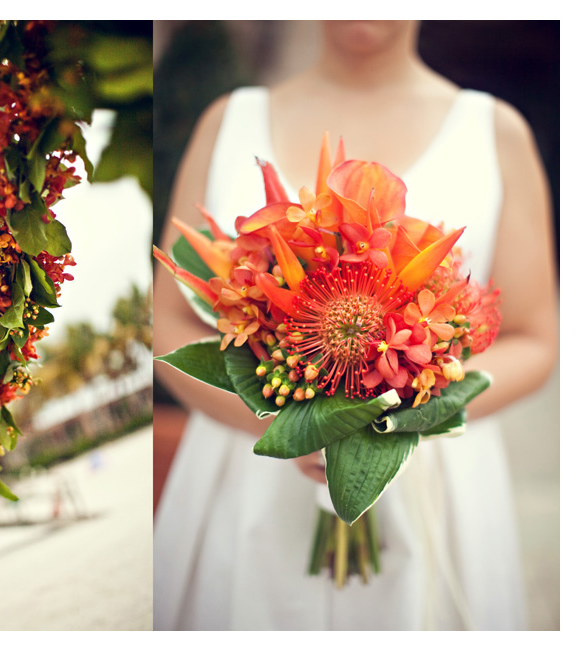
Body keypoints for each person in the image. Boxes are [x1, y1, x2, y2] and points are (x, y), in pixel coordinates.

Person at [153, 20, 558, 630]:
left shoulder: (496, 131)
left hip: (437, 487)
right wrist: (293, 425)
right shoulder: (227, 121)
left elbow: (536, 338)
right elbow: (166, 317)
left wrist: (402, 408)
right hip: (243, 477)